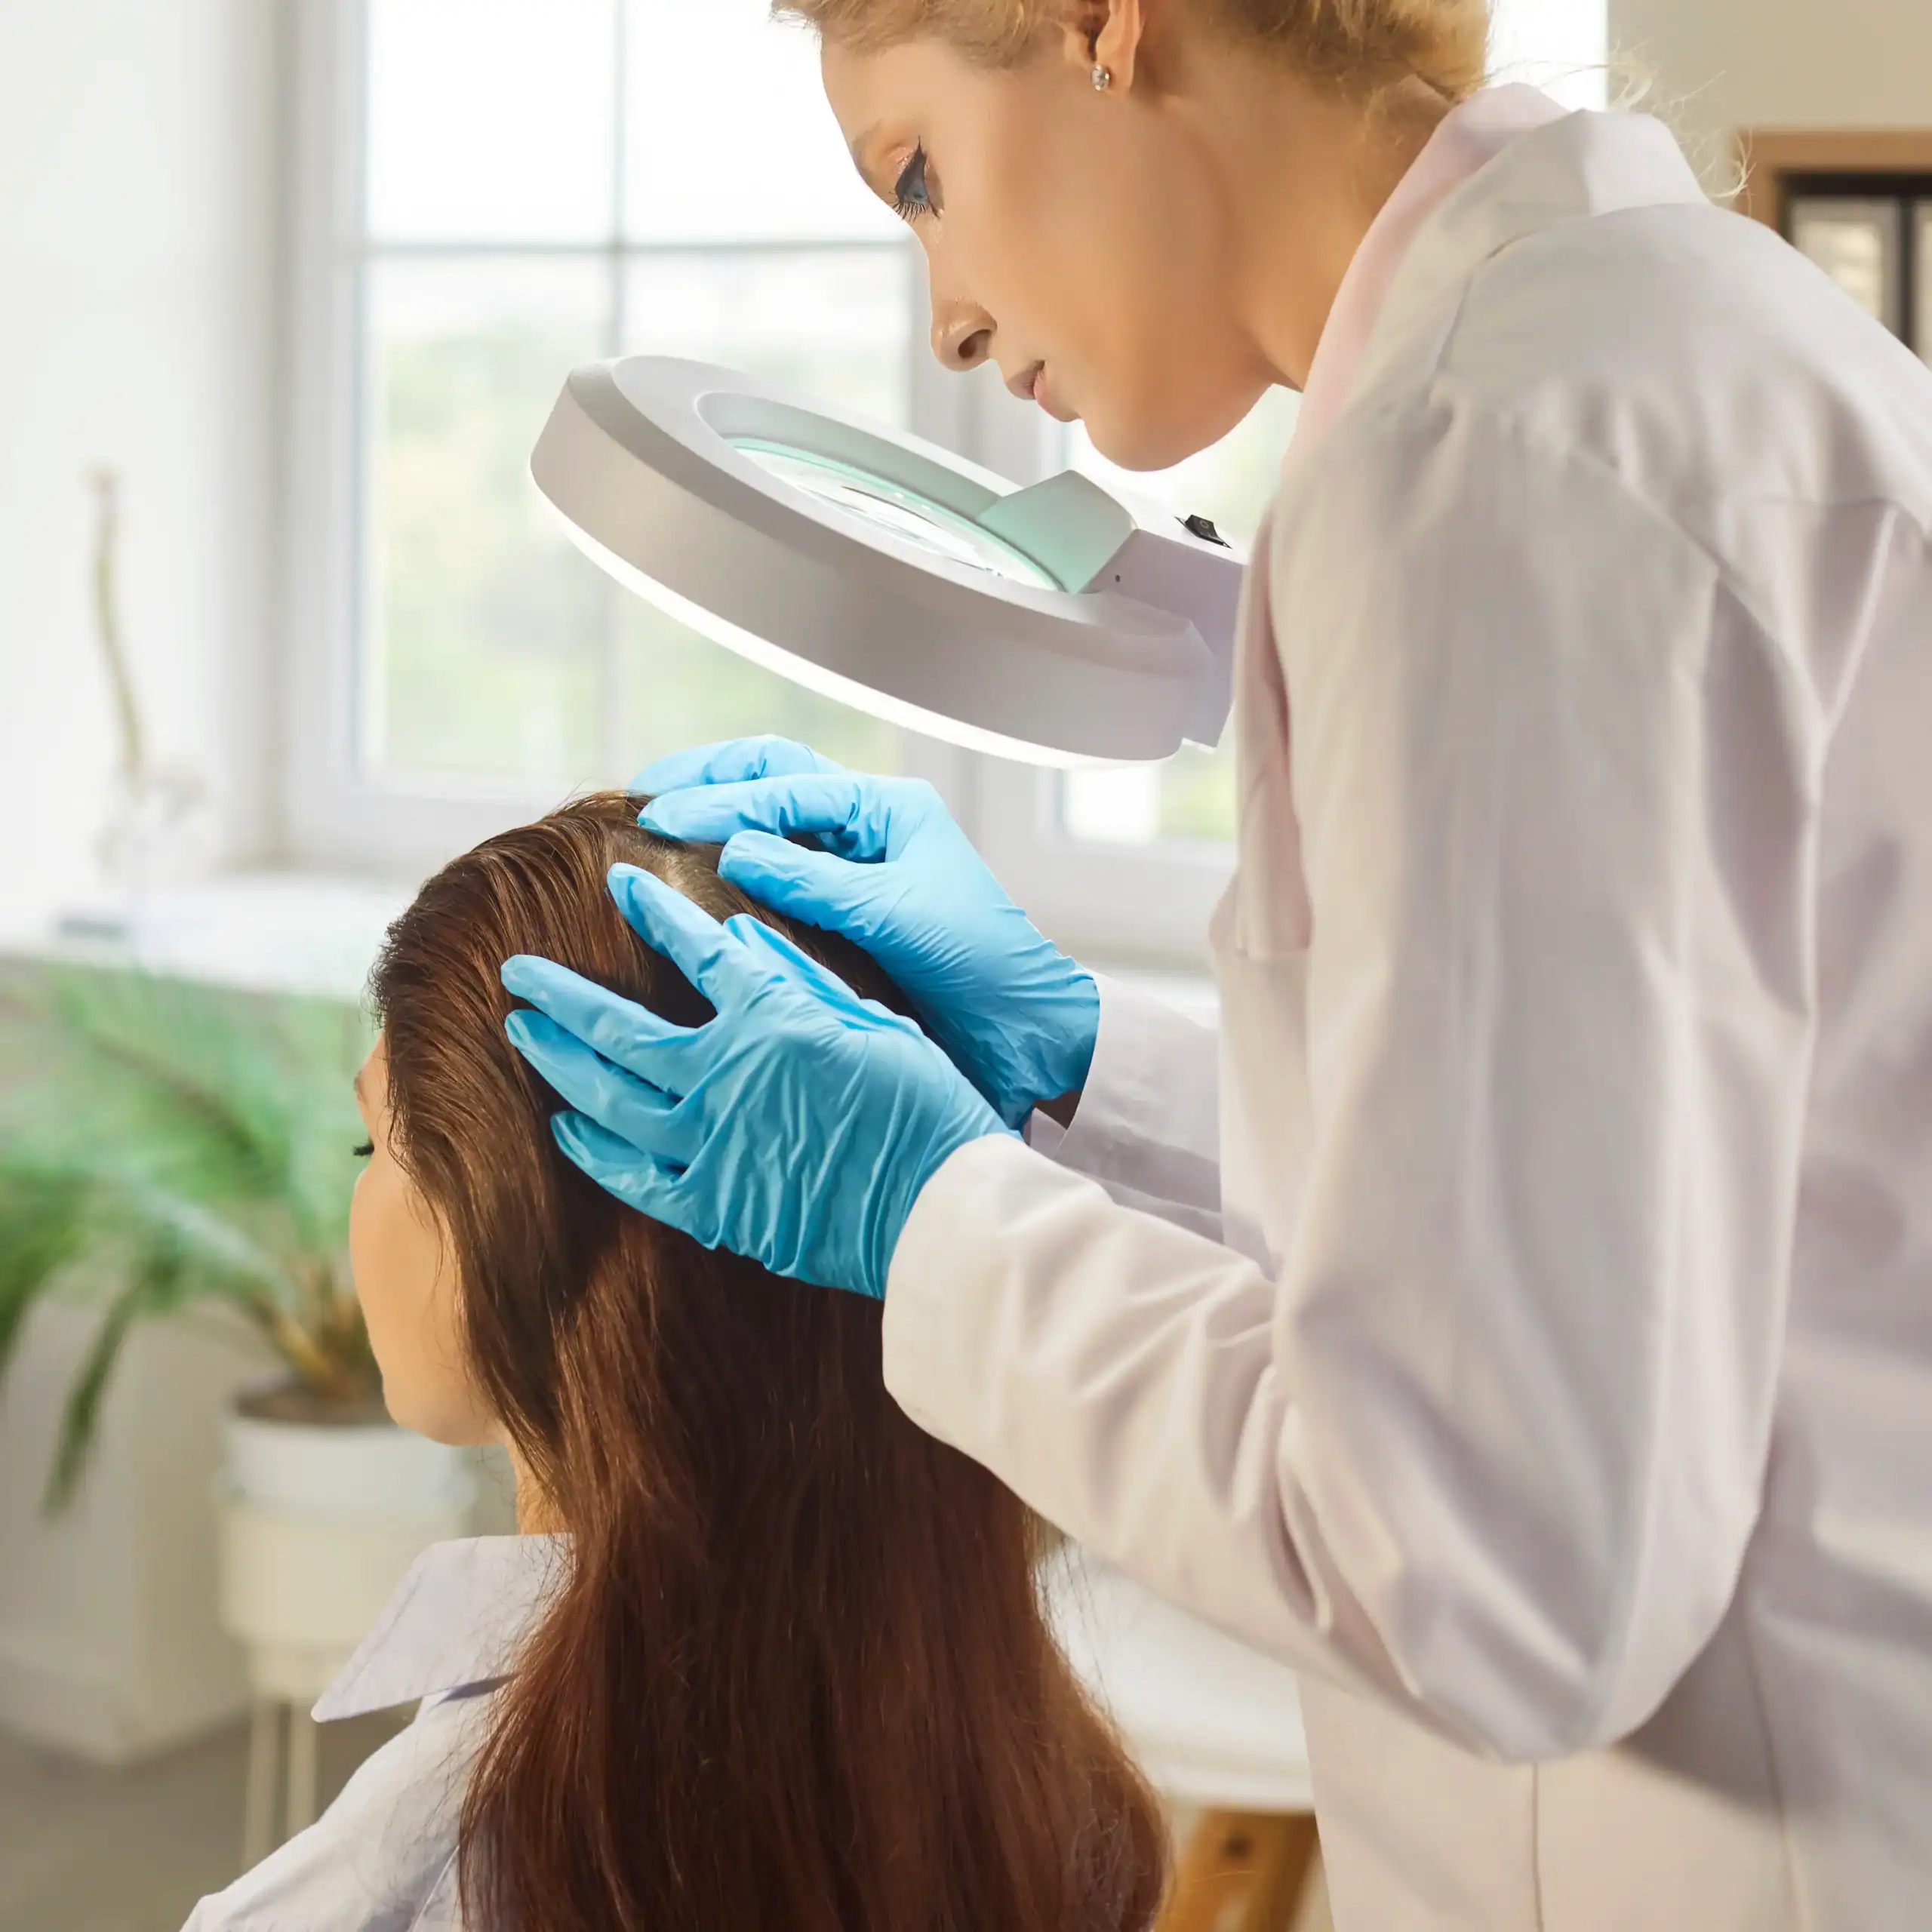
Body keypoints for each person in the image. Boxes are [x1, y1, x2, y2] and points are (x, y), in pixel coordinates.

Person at [501, 2, 1932, 1927]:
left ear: (1099, 23)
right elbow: (1594, 1232)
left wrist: (927, 1209)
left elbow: (1482, 1567)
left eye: (918, 174)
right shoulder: (1663, 346)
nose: (943, 313)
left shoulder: (1493, 465)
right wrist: (1100, 1072)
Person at [184, 793, 1167, 1932]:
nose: (359, 1199)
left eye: (378, 1143)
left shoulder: (402, 1881)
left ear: (514, 1228)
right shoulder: (1040, 1796)